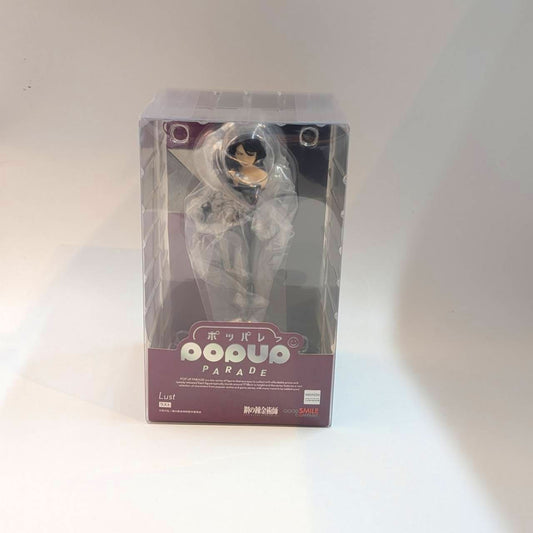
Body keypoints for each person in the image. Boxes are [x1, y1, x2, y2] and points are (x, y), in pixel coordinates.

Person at [185, 124, 297, 322]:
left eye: (246, 154)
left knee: (257, 266)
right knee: (234, 265)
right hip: (234, 225)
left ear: (257, 156)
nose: (242, 158)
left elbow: (267, 196)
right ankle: (237, 312)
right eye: (238, 154)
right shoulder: (230, 175)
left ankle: (255, 314)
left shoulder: (260, 176)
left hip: (255, 225)